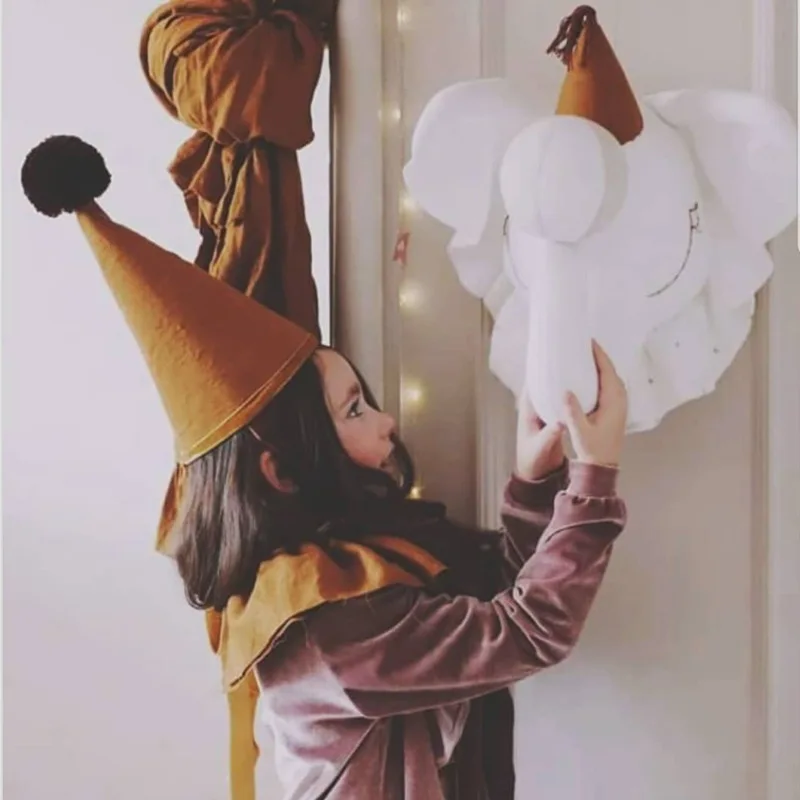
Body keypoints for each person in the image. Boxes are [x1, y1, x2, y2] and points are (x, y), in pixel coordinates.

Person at [21, 136, 628, 800]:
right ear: (283, 472)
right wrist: (595, 475)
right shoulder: (325, 622)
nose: (386, 422)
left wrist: (535, 483)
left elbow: (496, 598)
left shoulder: (350, 565)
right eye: (355, 409)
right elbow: (526, 631)